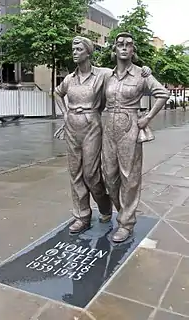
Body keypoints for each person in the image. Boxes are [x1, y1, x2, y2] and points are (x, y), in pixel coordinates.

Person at [55, 36, 151, 235]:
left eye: (78, 49)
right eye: (73, 49)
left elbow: (124, 73)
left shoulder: (104, 75)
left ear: (88, 52)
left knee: (91, 174)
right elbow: (57, 93)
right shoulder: (69, 79)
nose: (74, 52)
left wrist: (145, 70)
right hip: (72, 126)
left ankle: (105, 206)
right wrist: (65, 114)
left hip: (93, 126)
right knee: (75, 174)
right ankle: (81, 216)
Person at [102, 32, 170, 243]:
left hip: (130, 126)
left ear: (133, 50)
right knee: (109, 178)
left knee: (129, 178)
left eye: (128, 45)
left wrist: (147, 117)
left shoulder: (142, 74)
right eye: (120, 44)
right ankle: (123, 211)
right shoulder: (106, 75)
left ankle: (126, 223)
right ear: (114, 49)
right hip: (108, 128)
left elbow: (163, 94)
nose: (124, 47)